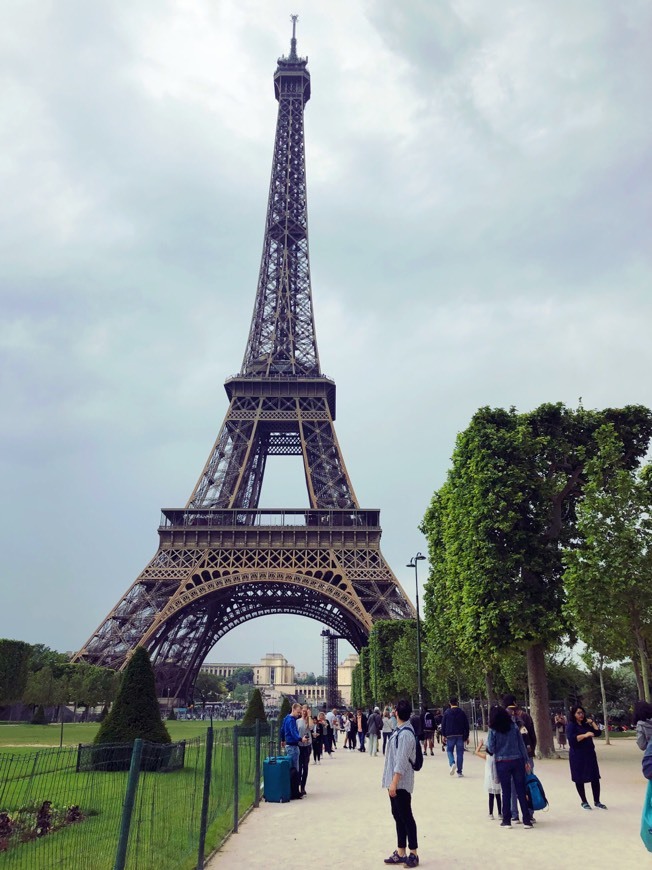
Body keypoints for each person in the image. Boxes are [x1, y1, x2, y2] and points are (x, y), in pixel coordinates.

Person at [382, 698, 420, 867]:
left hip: (400, 783)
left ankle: (413, 853)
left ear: (396, 713)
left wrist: (394, 783)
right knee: (399, 817)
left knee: (406, 817)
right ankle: (401, 851)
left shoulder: (404, 734)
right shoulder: (401, 730)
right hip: (396, 781)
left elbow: (401, 761)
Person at [486, 705, 533, 828]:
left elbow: (491, 748)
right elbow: (521, 745)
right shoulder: (513, 727)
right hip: (517, 760)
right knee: (521, 790)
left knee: (506, 792)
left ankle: (507, 820)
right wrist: (526, 760)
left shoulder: (493, 729)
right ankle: (527, 820)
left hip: (502, 762)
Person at [503, 695, 537, 823]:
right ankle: (529, 812)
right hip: (527, 754)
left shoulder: (503, 717)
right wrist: (530, 751)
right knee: (528, 782)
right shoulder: (525, 716)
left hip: (510, 755)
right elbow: (532, 735)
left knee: (511, 786)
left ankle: (514, 814)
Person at [566, 705, 606, 810]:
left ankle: (597, 801)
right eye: (578, 713)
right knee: (579, 778)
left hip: (589, 754)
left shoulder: (585, 725)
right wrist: (585, 735)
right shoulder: (571, 725)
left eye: (582, 713)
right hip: (578, 755)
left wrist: (592, 722)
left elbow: (597, 733)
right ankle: (584, 801)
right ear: (574, 714)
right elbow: (572, 740)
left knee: (595, 777)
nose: (581, 715)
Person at [441, 697, 469, 777]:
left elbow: (443, 724)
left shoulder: (447, 713)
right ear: (457, 703)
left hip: (450, 734)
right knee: (460, 753)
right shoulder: (461, 712)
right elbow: (466, 725)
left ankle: (452, 763)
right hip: (460, 734)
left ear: (450, 703)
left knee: (449, 750)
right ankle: (459, 771)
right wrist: (466, 736)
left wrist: (443, 734)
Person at [475, 737, 502, 820]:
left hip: (489, 779)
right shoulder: (498, 757)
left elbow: (476, 752)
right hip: (497, 778)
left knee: (491, 796)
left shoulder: (487, 757)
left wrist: (480, 745)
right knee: (498, 796)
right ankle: (500, 813)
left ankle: (490, 813)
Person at [280, 702, 303, 799]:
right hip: (293, 745)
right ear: (293, 710)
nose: (299, 714)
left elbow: (282, 730)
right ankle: (295, 792)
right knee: (295, 770)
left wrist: (283, 739)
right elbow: (293, 731)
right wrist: (300, 739)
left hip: (288, 745)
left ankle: (292, 791)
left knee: (291, 769)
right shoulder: (291, 720)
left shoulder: (286, 719)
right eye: (298, 712)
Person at [297, 705, 312, 796]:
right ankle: (297, 785)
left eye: (306, 711)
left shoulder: (309, 720)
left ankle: (303, 787)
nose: (304, 712)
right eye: (303, 710)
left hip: (306, 746)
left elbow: (310, 727)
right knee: (299, 767)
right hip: (299, 745)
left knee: (305, 767)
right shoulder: (297, 721)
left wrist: (309, 716)